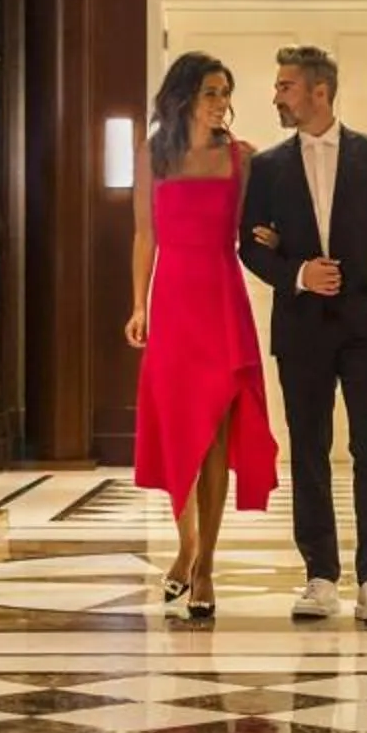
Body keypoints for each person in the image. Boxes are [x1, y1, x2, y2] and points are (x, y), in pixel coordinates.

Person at [237, 45, 367, 627]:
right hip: (301, 332)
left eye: (285, 86)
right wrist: (297, 273)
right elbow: (248, 245)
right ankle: (320, 576)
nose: (276, 96)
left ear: (319, 92)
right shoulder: (266, 167)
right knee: (309, 452)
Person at [125, 51, 279, 620]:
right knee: (178, 433)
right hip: (172, 303)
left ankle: (207, 563)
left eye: (225, 93)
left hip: (220, 299)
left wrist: (273, 237)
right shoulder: (153, 155)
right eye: (212, 92)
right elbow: (145, 236)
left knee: (215, 433)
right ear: (185, 95)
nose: (221, 103)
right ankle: (186, 544)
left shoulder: (244, 159)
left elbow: (257, 231)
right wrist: (138, 305)